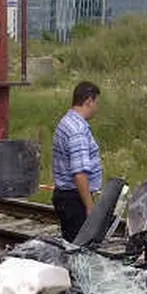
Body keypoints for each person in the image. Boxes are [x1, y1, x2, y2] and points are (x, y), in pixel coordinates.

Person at [51, 81, 103, 242]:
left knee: (71, 243)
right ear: (89, 101)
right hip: (74, 199)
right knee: (79, 248)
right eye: (96, 103)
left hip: (66, 195)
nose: (97, 108)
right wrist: (89, 206)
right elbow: (80, 173)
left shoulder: (66, 122)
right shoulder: (78, 131)